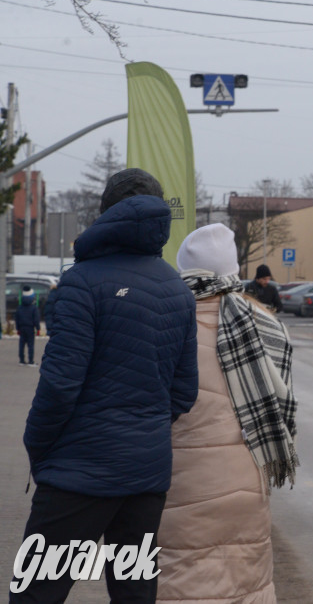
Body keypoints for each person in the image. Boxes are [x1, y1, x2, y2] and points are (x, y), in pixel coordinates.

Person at [16, 168, 198, 603]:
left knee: (37, 594)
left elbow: (60, 384)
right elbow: (183, 392)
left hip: (76, 475)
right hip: (145, 476)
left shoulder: (81, 281)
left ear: (105, 214)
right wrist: (145, 427)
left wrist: (37, 444)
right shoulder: (177, 288)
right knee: (134, 594)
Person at [158, 223, 298, 603]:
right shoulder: (266, 326)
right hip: (247, 484)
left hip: (181, 487)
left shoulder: (164, 326)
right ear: (234, 272)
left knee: (182, 580)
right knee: (244, 583)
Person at [15, 285, 41, 366]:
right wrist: (38, 328)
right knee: (30, 345)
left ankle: (22, 360)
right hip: (30, 328)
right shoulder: (34, 308)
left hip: (22, 327)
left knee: (21, 344)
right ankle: (30, 361)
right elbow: (36, 319)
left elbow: (17, 318)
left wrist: (17, 328)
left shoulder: (19, 307)